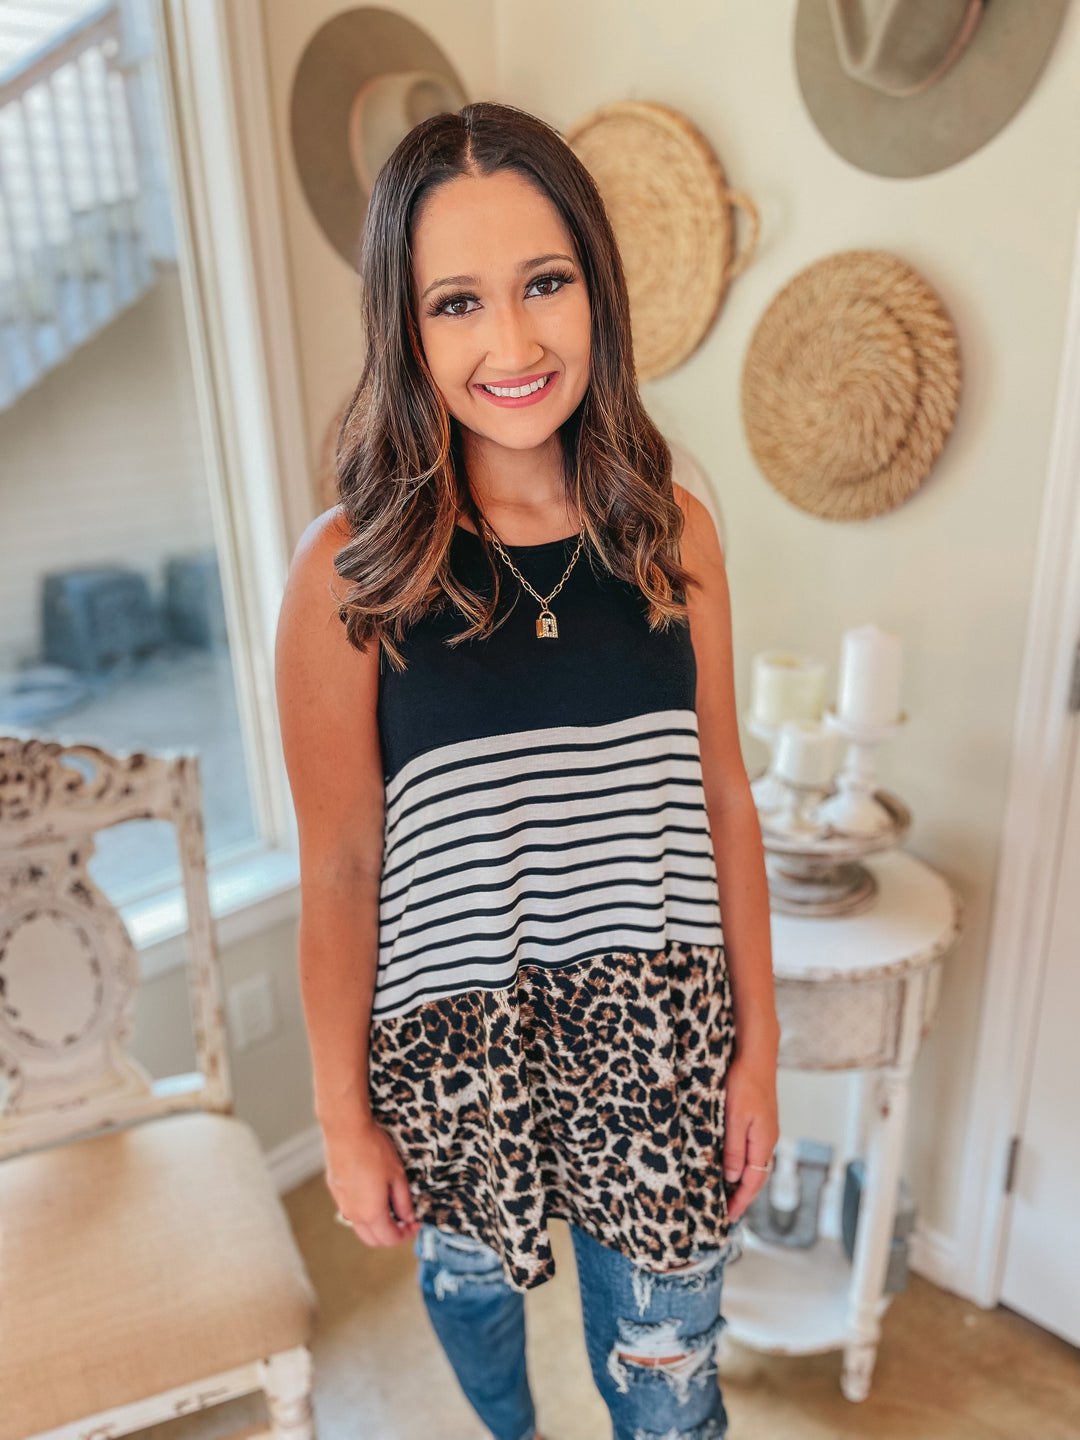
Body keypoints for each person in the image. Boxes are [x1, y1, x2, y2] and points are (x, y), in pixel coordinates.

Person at [275, 99, 780, 1440]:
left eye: (545, 282)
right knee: (481, 1329)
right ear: (403, 325)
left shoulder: (673, 533)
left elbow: (725, 798)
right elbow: (337, 861)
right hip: (453, 1053)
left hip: (661, 1046)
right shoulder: (350, 572)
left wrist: (760, 1048)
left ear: (597, 289)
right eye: (456, 303)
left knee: (672, 1397)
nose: (511, 343)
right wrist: (341, 1119)